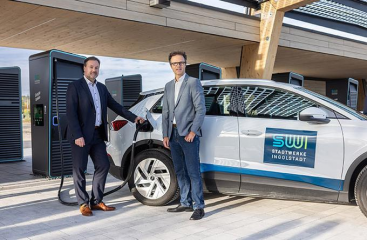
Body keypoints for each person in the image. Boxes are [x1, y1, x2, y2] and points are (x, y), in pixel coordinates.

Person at [66, 56, 144, 216]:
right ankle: (83, 203)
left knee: (103, 165)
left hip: (97, 134)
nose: (94, 70)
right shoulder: (75, 87)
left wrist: (133, 117)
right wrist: (78, 135)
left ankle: (96, 201)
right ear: (84, 68)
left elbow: (115, 106)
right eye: (91, 67)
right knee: (79, 169)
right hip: (80, 136)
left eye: (96, 68)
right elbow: (71, 113)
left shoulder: (101, 88)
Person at [162, 51, 206, 220]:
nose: (178, 66)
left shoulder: (193, 83)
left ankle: (199, 206)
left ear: (185, 64)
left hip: (188, 134)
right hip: (172, 134)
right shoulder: (168, 86)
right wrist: (165, 134)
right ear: (171, 66)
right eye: (175, 63)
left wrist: (193, 131)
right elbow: (166, 112)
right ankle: (185, 202)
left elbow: (201, 109)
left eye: (181, 62)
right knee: (180, 170)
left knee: (193, 171)